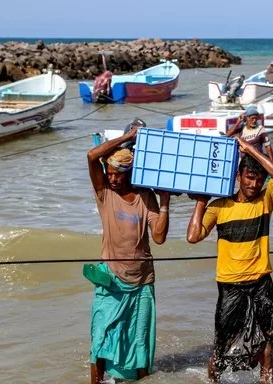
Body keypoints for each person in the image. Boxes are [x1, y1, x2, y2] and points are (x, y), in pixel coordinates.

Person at [186, 138, 273, 384]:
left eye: (258, 179)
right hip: (230, 287)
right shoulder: (220, 207)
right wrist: (201, 201)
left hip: (261, 284)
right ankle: (214, 381)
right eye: (249, 177)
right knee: (221, 348)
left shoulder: (266, 201)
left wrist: (251, 149)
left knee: (266, 349)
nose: (254, 184)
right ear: (239, 176)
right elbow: (193, 236)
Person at [86, 126, 171, 384]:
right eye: (109, 173)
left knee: (140, 342)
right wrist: (126, 138)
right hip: (111, 279)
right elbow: (92, 157)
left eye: (117, 175)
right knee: (100, 336)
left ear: (129, 173)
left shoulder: (145, 197)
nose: (112, 179)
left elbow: (158, 237)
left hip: (142, 281)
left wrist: (165, 203)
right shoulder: (105, 193)